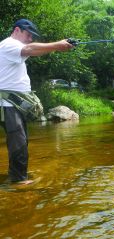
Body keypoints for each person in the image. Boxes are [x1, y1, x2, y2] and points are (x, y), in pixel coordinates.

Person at [0, 19, 73, 185]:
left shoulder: (14, 48)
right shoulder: (9, 44)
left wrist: (58, 47)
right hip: (8, 105)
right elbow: (30, 49)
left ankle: (17, 175)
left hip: (13, 104)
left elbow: (32, 50)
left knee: (21, 140)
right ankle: (18, 181)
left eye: (32, 36)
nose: (30, 38)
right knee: (18, 142)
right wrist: (57, 45)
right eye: (28, 34)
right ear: (17, 30)